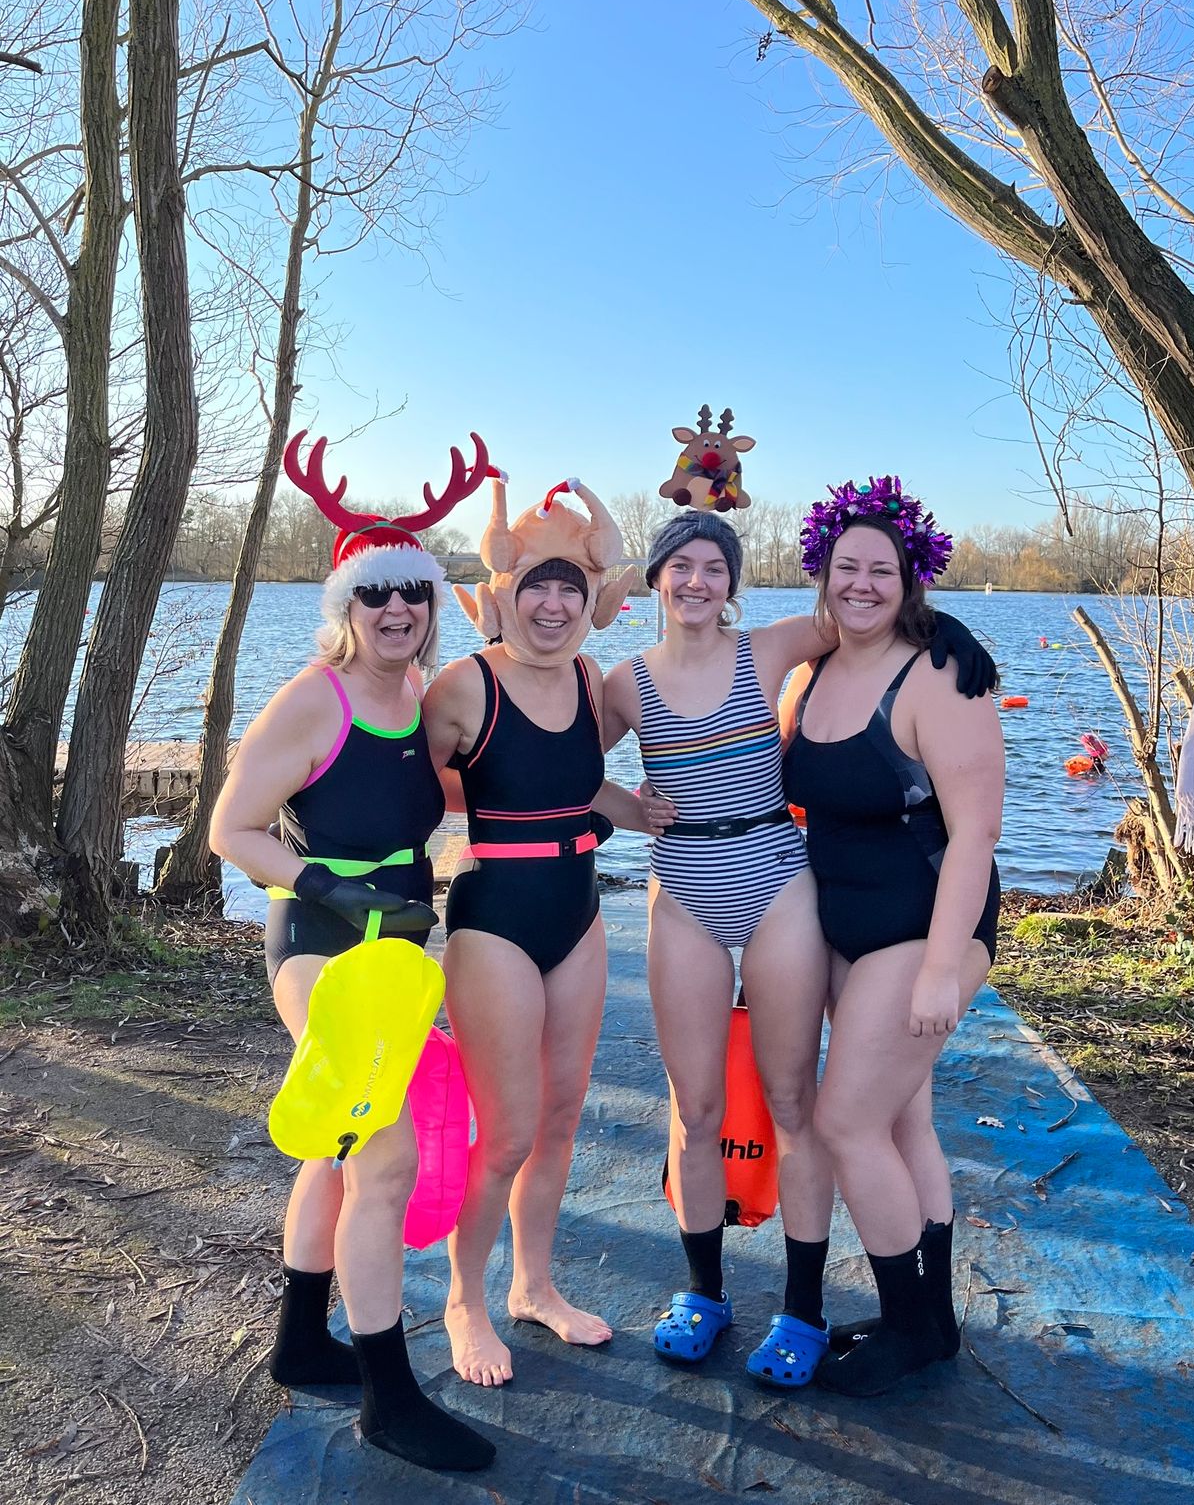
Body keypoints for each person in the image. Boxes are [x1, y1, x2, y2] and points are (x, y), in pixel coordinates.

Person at [601, 508, 996, 1386]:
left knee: (804, 1106)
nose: (697, 581)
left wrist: (958, 628)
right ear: (657, 578)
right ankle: (708, 1291)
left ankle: (805, 1307)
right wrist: (625, 808)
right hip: (695, 890)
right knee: (698, 1105)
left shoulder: (775, 650)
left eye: (715, 566)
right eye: (680, 566)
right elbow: (552, 756)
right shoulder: (625, 683)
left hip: (787, 883)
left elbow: (877, 608)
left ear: (734, 582)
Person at [209, 432, 496, 1472]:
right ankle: (389, 1395)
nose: (395, 612)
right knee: (383, 1156)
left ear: (429, 602)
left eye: (412, 594)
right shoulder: (315, 697)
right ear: (346, 605)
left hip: (404, 946)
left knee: (337, 1145)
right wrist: (319, 880)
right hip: (323, 941)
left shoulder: (424, 703)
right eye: (373, 595)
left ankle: (299, 1339)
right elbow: (230, 830)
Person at [423, 473, 656, 1388]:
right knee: (509, 1131)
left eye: (569, 586)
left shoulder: (590, 678)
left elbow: (575, 783)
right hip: (494, 921)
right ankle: (463, 1301)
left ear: (588, 601)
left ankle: (534, 1286)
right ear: (507, 595)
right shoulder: (463, 684)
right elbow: (403, 777)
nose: (553, 601)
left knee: (561, 1118)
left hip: (580, 909)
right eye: (537, 586)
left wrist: (645, 812)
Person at [780, 475, 1004, 1397]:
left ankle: (907, 1328)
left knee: (846, 1120)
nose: (862, 583)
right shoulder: (817, 668)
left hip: (928, 926)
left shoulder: (942, 671)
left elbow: (977, 832)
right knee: (903, 1115)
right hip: (844, 923)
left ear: (912, 578)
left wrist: (943, 969)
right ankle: (933, 1319)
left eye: (882, 569)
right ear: (823, 574)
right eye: (847, 567)